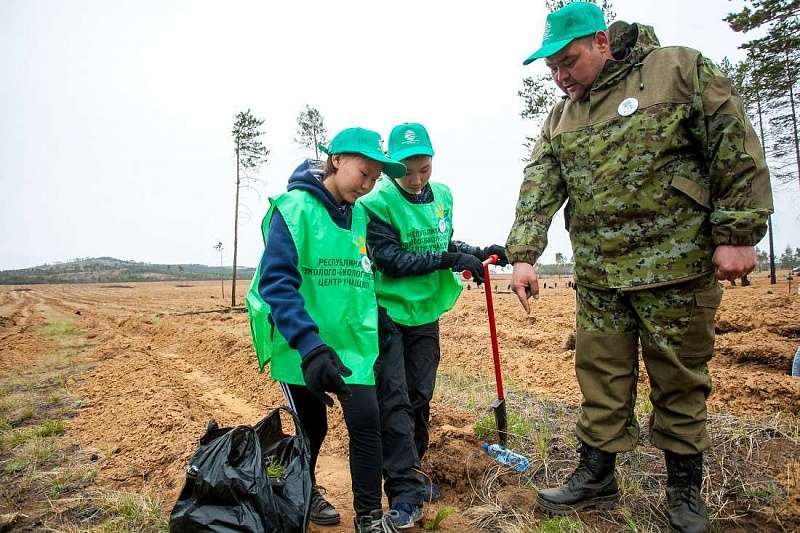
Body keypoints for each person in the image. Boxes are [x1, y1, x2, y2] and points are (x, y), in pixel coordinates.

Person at [507, 4, 772, 533]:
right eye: (551, 69)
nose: (559, 78)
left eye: (568, 62)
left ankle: (683, 491)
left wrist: (738, 233)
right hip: (602, 276)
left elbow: (733, 144)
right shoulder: (562, 115)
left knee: (679, 380)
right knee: (601, 378)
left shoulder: (678, 70)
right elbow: (541, 182)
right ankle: (597, 475)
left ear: (602, 43)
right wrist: (523, 254)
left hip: (676, 269)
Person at [246, 127, 407, 532]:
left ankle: (368, 516)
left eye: (375, 178)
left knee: (367, 423)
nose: (368, 184)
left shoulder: (358, 215)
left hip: (352, 346)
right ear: (336, 160)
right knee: (311, 428)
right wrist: (310, 346)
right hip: (303, 345)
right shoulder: (294, 208)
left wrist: (379, 319)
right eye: (363, 173)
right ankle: (305, 489)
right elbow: (276, 283)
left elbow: (357, 275)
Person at [359, 122, 508, 528]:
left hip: (425, 313)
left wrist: (476, 252)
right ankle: (404, 493)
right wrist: (448, 261)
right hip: (388, 312)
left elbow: (441, 244)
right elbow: (390, 259)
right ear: (390, 167)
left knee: (419, 395)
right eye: (407, 169)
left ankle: (415, 472)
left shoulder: (442, 196)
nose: (417, 177)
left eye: (424, 168)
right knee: (394, 401)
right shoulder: (376, 203)